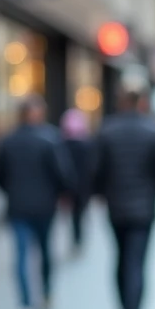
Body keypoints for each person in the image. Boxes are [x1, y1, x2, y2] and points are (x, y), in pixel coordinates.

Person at [91, 89, 155, 309]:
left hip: (116, 206)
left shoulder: (107, 130)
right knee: (136, 263)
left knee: (121, 259)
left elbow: (95, 170)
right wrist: (151, 192)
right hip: (144, 208)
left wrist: (103, 193)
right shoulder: (154, 131)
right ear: (142, 104)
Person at [0, 96, 75, 309]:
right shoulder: (50, 139)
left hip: (18, 206)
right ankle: (46, 293)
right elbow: (62, 174)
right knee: (45, 251)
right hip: (44, 206)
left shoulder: (7, 141)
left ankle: (25, 305)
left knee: (21, 256)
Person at [60, 108, 94, 254]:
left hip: (70, 185)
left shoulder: (62, 145)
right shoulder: (87, 145)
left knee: (74, 214)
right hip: (83, 185)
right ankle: (78, 238)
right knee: (79, 213)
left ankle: (76, 238)